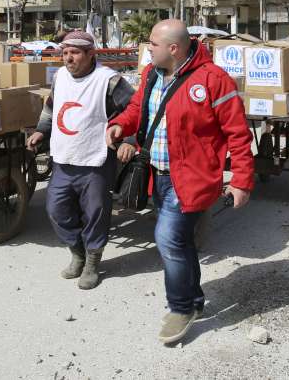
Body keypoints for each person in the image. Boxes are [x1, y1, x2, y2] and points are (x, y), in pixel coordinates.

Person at [105, 19, 254, 345]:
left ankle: (181, 307)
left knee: (168, 239)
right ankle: (197, 300)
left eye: (153, 44)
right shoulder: (150, 75)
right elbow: (137, 109)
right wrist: (120, 124)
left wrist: (241, 180)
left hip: (190, 179)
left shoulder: (213, 81)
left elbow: (238, 134)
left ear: (173, 49)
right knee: (182, 242)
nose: (148, 48)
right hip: (155, 176)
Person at [27, 31, 134, 290]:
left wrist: (129, 141)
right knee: (56, 210)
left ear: (90, 54)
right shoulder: (60, 77)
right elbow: (51, 108)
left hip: (95, 160)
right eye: (64, 53)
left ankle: (92, 262)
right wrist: (41, 130)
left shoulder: (109, 80)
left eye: (74, 53)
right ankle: (77, 252)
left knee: (95, 212)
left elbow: (134, 109)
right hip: (64, 157)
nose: (68, 58)